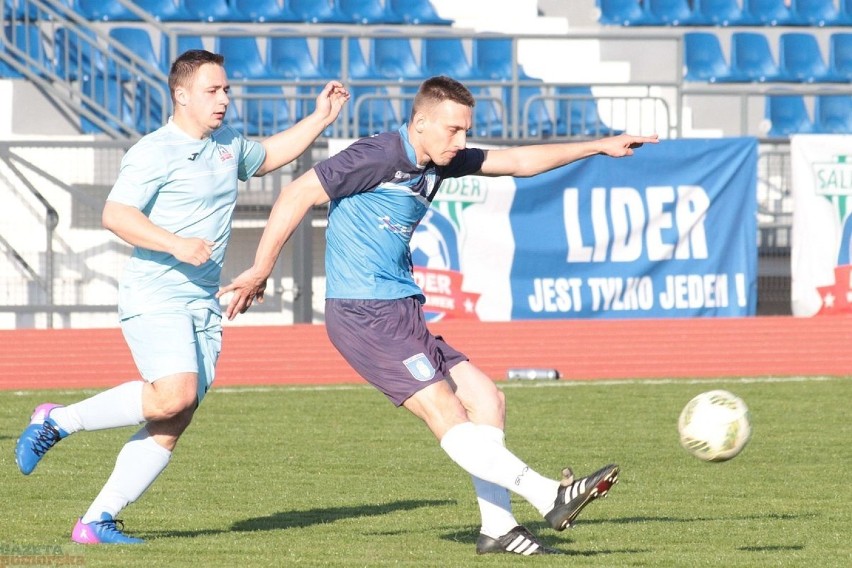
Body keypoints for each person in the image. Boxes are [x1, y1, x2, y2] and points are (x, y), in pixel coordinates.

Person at [219, 75, 659, 556]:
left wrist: (599, 145)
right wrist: (261, 268)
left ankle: (498, 528)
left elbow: (515, 161)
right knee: (447, 413)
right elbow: (297, 193)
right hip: (363, 313)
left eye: (466, 131)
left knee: (488, 399)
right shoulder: (379, 154)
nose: (462, 141)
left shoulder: (439, 159)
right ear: (421, 122)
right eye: (453, 130)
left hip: (402, 310)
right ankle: (548, 493)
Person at [14, 49, 349, 544]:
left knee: (175, 416)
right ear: (182, 95)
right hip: (156, 292)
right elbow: (117, 214)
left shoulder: (228, 144)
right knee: (174, 394)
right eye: (213, 91)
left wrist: (321, 117)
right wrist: (176, 244)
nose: (224, 100)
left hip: (202, 301)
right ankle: (58, 420)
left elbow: (272, 155)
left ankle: (96, 520)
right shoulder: (154, 150)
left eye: (227, 90)